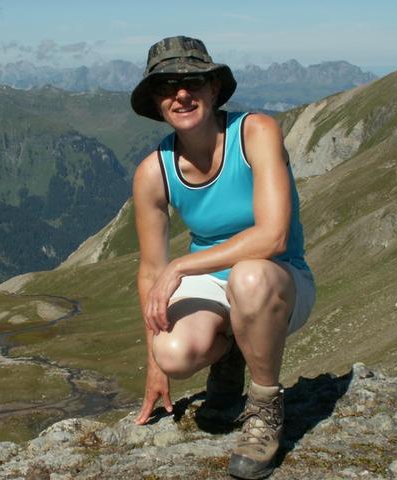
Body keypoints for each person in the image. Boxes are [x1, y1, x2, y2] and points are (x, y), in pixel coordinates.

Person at [130, 36, 315, 480]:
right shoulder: (154, 172)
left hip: (279, 282)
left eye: (193, 82)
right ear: (156, 102)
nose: (181, 94)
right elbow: (150, 271)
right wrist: (155, 366)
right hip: (215, 283)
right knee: (173, 352)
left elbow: (273, 236)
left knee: (248, 277)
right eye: (166, 86)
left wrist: (181, 265)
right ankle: (231, 352)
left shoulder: (256, 133)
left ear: (214, 89)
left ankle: (264, 409)